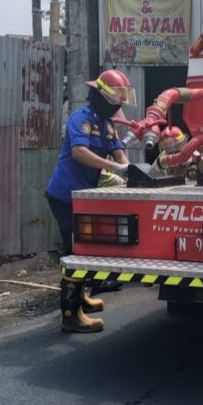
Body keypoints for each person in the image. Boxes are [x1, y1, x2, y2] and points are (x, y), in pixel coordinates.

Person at [46, 68, 135, 333]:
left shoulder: (107, 125)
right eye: (116, 97)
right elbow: (79, 153)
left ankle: (82, 298)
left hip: (84, 197)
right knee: (75, 251)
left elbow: (119, 153)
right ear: (101, 96)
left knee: (85, 249)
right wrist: (113, 167)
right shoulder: (81, 118)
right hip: (64, 196)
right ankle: (70, 314)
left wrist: (128, 169)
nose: (119, 103)